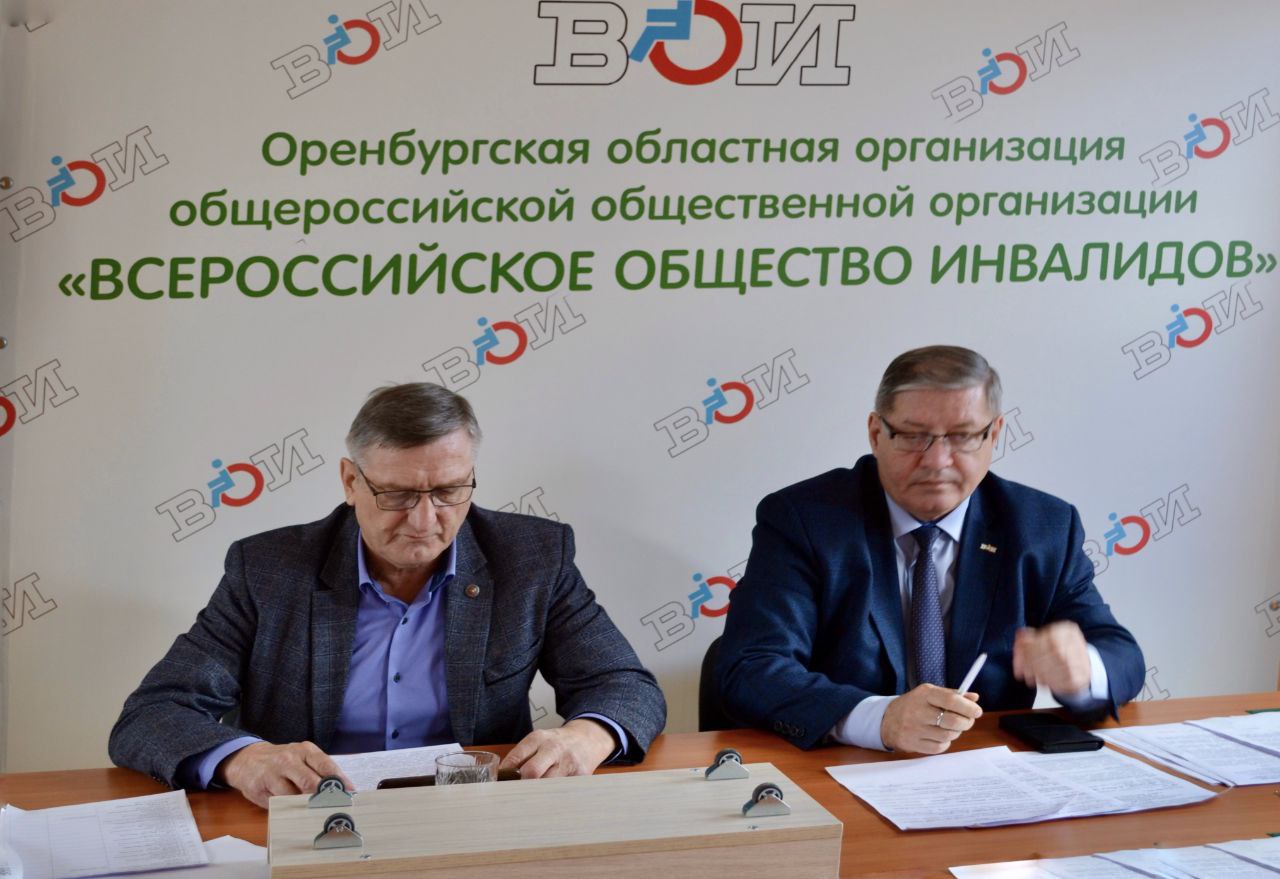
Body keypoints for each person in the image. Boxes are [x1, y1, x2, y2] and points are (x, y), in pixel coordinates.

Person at [110, 383, 666, 807]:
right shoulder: (269, 571)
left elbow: (624, 685)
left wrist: (588, 735)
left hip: (472, 816)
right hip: (320, 817)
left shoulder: (531, 558)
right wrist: (244, 759)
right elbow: (153, 713)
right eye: (397, 495)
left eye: (449, 491)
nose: (425, 521)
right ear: (351, 482)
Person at [716, 345, 1144, 755]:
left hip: (986, 771)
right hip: (841, 768)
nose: (937, 461)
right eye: (913, 436)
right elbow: (751, 667)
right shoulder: (804, 521)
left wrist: (1083, 670)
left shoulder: (1042, 527)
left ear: (994, 434)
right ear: (876, 434)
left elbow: (1122, 656)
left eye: (962, 436)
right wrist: (879, 719)